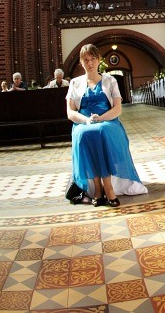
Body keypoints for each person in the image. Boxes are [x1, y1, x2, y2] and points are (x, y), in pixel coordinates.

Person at [66, 43, 147, 207]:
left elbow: (117, 109)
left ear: (99, 60)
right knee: (84, 133)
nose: (89, 63)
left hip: (108, 120)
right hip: (84, 122)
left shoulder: (110, 80)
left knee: (101, 130)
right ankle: (97, 188)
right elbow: (70, 112)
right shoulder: (74, 83)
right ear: (81, 62)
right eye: (85, 60)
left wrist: (101, 118)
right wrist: (85, 120)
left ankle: (108, 186)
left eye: (93, 59)